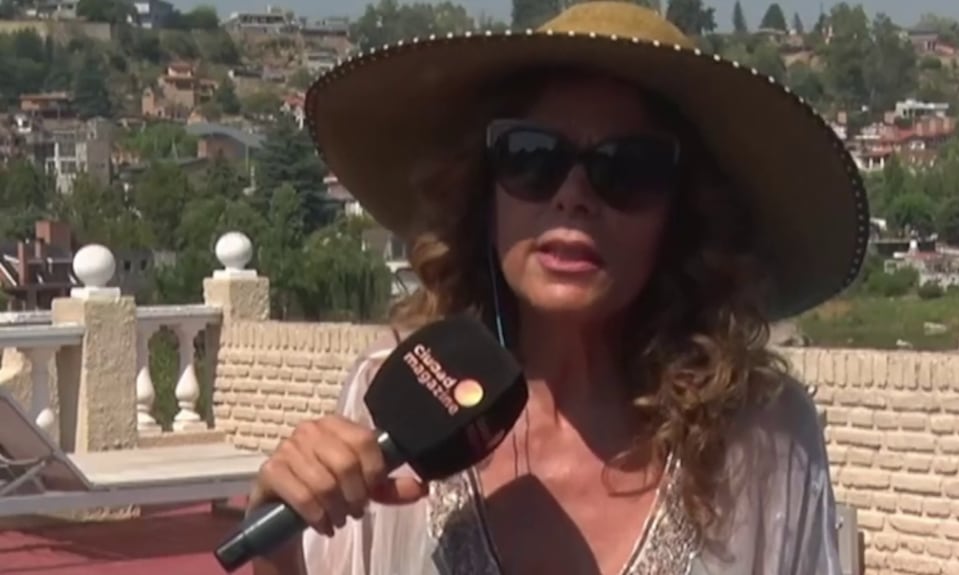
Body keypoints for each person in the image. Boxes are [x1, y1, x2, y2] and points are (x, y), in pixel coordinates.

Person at [249, 2, 867, 574]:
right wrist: (277, 544)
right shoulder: (398, 398)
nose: (573, 196)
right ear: (486, 195)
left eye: (626, 169)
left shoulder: (763, 437)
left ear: (682, 216)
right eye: (532, 157)